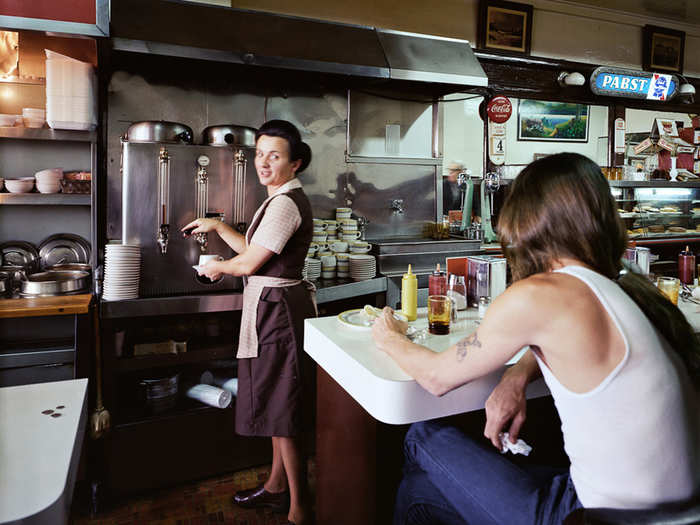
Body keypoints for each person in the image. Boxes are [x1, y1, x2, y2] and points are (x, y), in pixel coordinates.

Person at [372, 152, 700, 524]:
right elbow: (568, 341)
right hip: (670, 510)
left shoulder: (540, 294)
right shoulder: (628, 288)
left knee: (423, 435)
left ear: (523, 219)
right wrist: (516, 375)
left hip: (601, 515)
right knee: (419, 490)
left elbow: (435, 378)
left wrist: (389, 337)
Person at [182, 120, 315, 525]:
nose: (263, 162)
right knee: (277, 407)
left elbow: (250, 263)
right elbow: (257, 251)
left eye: (274, 155)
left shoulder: (286, 203)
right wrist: (219, 227)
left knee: (282, 412)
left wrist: (217, 268)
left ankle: (299, 509)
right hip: (273, 307)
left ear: (295, 164)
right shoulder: (278, 199)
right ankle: (277, 488)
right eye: (260, 154)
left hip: (277, 313)